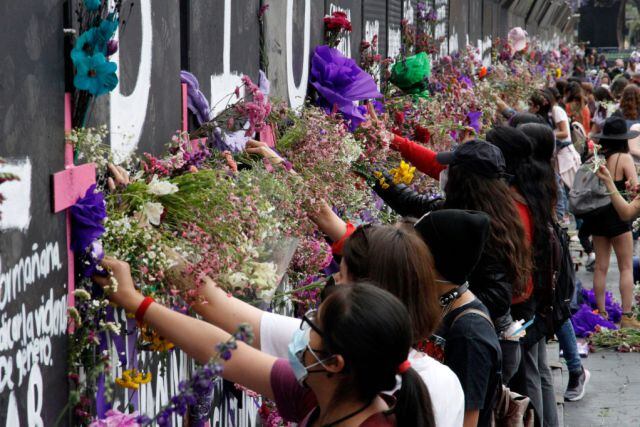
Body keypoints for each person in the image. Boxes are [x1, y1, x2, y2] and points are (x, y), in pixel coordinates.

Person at [95, 260, 436, 427]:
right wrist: (137, 302)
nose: (302, 334)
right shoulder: (324, 395)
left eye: (311, 326)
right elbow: (226, 352)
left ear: (334, 363)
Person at [517, 123, 591, 403]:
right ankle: (575, 369)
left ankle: (576, 370)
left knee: (558, 313)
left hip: (549, 257)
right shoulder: (540, 173)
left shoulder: (542, 177)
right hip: (547, 255)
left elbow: (556, 216)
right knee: (557, 314)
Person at [586, 116, 640, 329]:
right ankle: (627, 316)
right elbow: (635, 188)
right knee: (626, 266)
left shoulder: (597, 157)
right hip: (619, 214)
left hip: (598, 214)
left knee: (601, 266)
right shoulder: (624, 158)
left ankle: (602, 313)